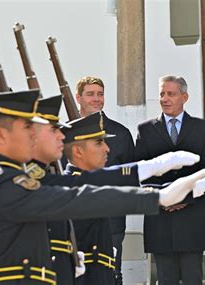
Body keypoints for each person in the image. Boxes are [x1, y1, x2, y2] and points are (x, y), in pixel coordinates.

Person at [0, 89, 205, 285]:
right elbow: (78, 197)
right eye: (28, 128)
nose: (53, 135)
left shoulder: (5, 176)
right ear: (1, 135)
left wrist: (152, 168)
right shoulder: (0, 179)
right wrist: (156, 198)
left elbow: (86, 182)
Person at [135, 75, 205, 285]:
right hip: (160, 218)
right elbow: (140, 173)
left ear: (185, 96)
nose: (165, 98)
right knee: (165, 279)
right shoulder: (145, 130)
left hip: (192, 216)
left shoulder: (201, 128)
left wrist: (183, 198)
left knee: (193, 278)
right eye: (162, 93)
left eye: (171, 94)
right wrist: (164, 198)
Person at [76, 76, 134, 284]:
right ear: (78, 98)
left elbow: (131, 176)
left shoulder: (120, 133)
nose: (96, 99)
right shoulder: (63, 134)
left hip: (111, 221)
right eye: (90, 94)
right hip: (74, 221)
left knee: (110, 275)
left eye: (100, 94)